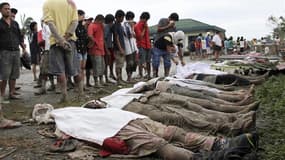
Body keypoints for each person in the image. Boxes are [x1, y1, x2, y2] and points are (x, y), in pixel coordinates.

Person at [63, 103, 258, 159]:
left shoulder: (107, 106)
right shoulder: (66, 118)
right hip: (113, 130)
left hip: (130, 119)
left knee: (172, 131)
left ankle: (219, 143)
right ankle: (206, 158)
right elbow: (78, 132)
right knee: (157, 144)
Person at [43, 0, 82, 103]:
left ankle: (64, 95)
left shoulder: (47, 3)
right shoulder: (71, 3)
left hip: (56, 42)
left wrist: (61, 40)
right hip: (70, 41)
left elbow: (50, 24)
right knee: (76, 69)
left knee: (60, 70)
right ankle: (81, 93)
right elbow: (75, 22)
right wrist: (66, 37)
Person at [0, 2, 27, 102]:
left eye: (9, 9)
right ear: (1, 10)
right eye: (5, 9)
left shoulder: (15, 23)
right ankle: (1, 95)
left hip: (16, 51)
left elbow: (19, 37)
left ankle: (11, 93)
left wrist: (23, 48)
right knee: (4, 75)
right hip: (4, 52)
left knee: (14, 74)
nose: (8, 10)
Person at [88, 14, 106, 87]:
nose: (102, 23)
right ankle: (96, 82)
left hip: (101, 49)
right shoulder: (92, 26)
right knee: (96, 66)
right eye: (101, 21)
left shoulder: (101, 26)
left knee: (102, 65)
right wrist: (95, 42)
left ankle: (101, 80)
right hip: (95, 49)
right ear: (98, 20)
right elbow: (90, 35)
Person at [134, 12, 152, 80]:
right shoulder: (137, 26)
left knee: (148, 61)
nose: (146, 21)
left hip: (148, 45)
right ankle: (141, 75)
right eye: (146, 20)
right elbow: (140, 37)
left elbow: (148, 35)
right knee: (141, 61)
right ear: (142, 18)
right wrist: (144, 28)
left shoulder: (146, 25)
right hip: (141, 45)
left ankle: (149, 75)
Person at [75, 9, 89, 89]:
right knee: (79, 68)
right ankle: (78, 85)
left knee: (83, 68)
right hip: (78, 49)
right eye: (82, 16)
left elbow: (85, 38)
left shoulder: (83, 27)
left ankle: (82, 85)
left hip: (84, 49)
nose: (83, 17)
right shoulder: (74, 26)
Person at [123, 11, 137, 82]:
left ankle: (130, 76)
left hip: (134, 46)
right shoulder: (124, 25)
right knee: (130, 62)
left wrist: (132, 27)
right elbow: (128, 35)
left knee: (134, 62)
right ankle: (128, 77)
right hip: (128, 47)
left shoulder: (132, 26)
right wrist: (131, 27)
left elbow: (134, 35)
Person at [112, 10, 126, 84]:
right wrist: (120, 49)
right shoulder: (115, 25)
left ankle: (121, 78)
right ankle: (118, 79)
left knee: (121, 64)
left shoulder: (120, 25)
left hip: (122, 47)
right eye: (122, 17)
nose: (123, 19)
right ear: (118, 17)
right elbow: (116, 38)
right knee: (118, 64)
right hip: (118, 48)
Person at [104, 14, 116, 83]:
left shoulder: (111, 27)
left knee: (111, 62)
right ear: (110, 21)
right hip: (107, 47)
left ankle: (111, 74)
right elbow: (104, 39)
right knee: (106, 63)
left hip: (110, 46)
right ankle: (106, 77)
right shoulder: (106, 27)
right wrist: (107, 50)